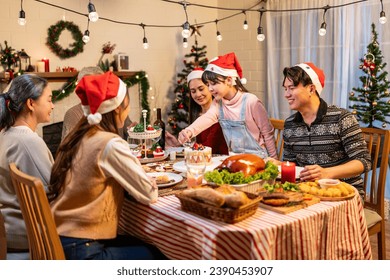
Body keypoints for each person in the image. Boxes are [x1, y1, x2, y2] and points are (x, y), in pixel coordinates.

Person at [50, 72, 165, 260]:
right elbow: (149, 194)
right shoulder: (110, 144)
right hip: (84, 250)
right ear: (118, 107)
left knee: (138, 241)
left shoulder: (78, 135)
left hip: (62, 239)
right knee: (161, 254)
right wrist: (145, 180)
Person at [280, 62, 371, 195]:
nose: (286, 94)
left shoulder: (342, 118)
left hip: (343, 193)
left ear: (311, 89)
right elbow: (290, 165)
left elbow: (363, 161)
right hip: (308, 192)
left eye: (292, 88)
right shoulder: (290, 124)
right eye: (285, 89)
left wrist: (326, 173)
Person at [178, 52, 277, 159]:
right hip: (234, 159)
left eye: (214, 83)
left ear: (229, 80)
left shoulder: (251, 102)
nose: (210, 89)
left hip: (258, 159)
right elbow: (207, 118)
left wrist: (274, 161)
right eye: (208, 84)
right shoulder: (218, 103)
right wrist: (189, 131)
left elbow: (267, 134)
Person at [0, 74, 55, 259]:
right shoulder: (27, 141)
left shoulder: (7, 133)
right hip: (26, 231)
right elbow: (53, 190)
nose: (52, 106)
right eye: (49, 100)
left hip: (9, 227)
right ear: (31, 104)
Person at [61, 66, 134, 141]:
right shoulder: (73, 114)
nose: (94, 90)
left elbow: (131, 130)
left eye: (99, 85)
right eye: (90, 85)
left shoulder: (115, 108)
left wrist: (137, 130)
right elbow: (70, 146)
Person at [188, 68, 228, 155]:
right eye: (193, 91)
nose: (198, 94)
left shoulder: (219, 113)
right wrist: (176, 143)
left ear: (210, 88)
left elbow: (209, 147)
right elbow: (197, 145)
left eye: (201, 89)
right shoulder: (196, 115)